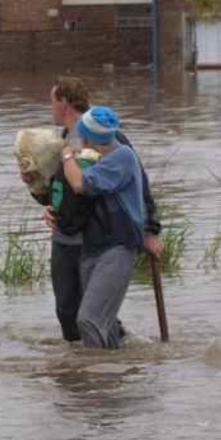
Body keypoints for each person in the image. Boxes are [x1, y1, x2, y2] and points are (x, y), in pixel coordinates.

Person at [23, 77, 163, 343]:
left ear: (64, 102)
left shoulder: (110, 139)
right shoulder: (58, 143)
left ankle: (108, 359)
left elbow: (140, 186)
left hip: (98, 236)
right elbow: (58, 191)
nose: (50, 108)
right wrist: (40, 194)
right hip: (65, 236)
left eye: (52, 102)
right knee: (68, 313)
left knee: (91, 315)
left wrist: (150, 229)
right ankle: (87, 364)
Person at [60, 106, 156, 349]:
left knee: (89, 319)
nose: (78, 139)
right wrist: (53, 209)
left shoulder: (121, 157)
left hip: (118, 246)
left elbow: (79, 184)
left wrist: (67, 156)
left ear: (90, 138)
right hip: (92, 246)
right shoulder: (92, 157)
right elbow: (68, 194)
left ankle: (96, 371)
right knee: (107, 323)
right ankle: (117, 365)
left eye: (81, 134)